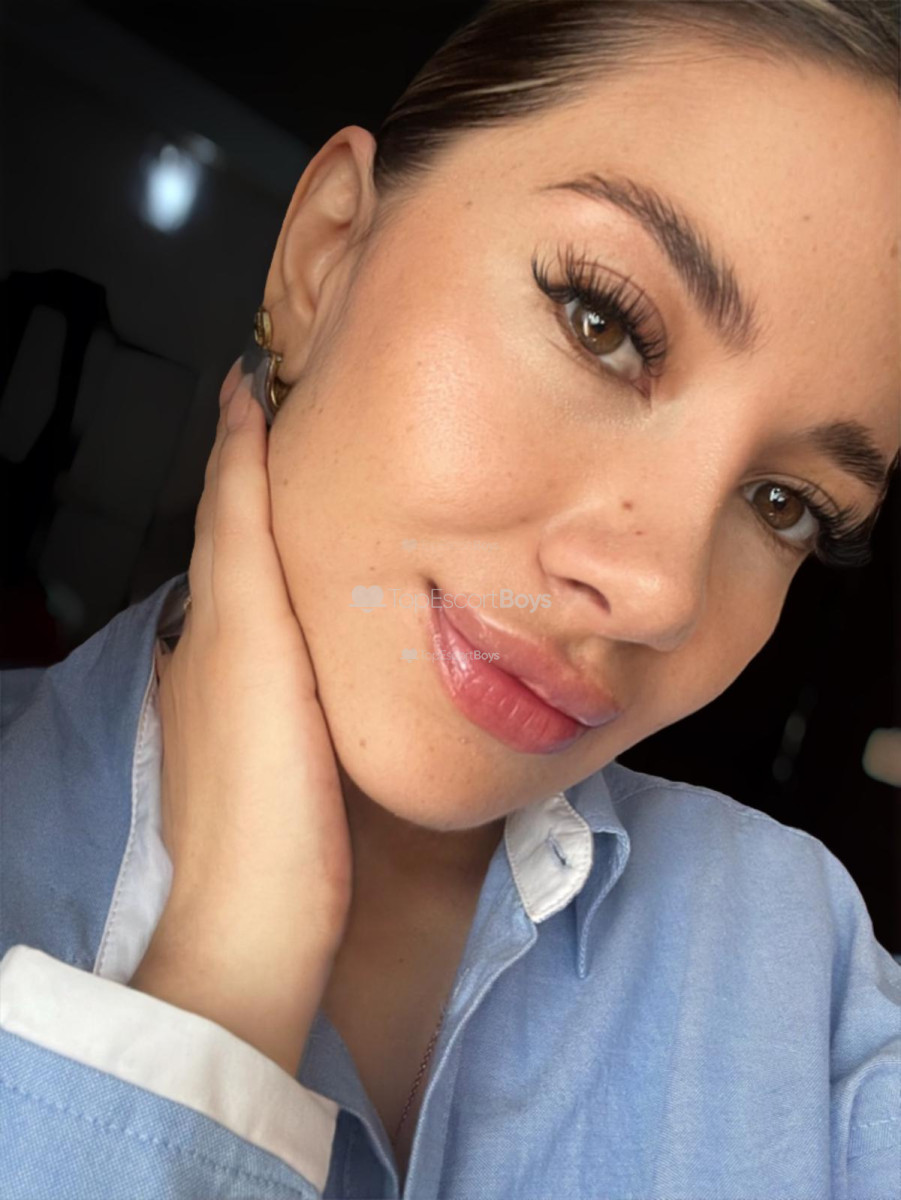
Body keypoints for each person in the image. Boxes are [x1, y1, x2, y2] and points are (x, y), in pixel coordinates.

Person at [2, 0, 899, 1196]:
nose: (657, 595)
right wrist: (225, 978)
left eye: (786, 504)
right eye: (603, 324)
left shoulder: (802, 976)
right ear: (323, 255)